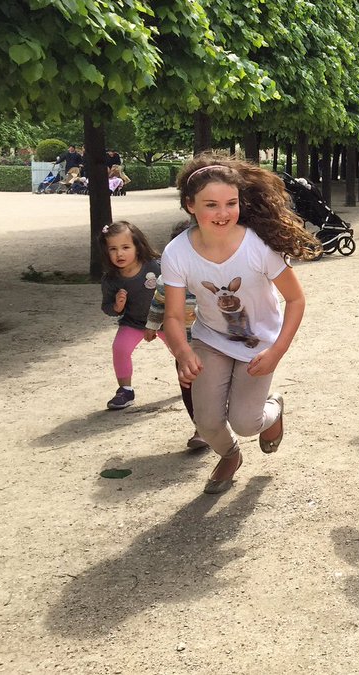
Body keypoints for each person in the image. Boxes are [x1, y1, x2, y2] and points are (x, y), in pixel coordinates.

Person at [161, 155, 319, 494]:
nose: (223, 213)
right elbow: (172, 316)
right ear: (190, 205)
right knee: (207, 422)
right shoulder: (176, 253)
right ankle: (230, 456)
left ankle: (274, 408)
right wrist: (183, 351)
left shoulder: (258, 246)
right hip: (210, 340)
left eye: (231, 203)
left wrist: (277, 351)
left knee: (246, 423)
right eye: (211, 205)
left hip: (258, 345)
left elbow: (296, 299)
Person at [144, 221, 208, 450]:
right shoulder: (166, 282)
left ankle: (218, 422)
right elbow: (158, 304)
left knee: (217, 387)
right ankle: (201, 428)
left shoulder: (212, 277)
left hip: (214, 345)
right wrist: (152, 325)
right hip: (184, 348)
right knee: (188, 388)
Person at [99, 221, 166, 411]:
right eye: (113, 249)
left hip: (165, 320)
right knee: (119, 348)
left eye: (125, 247)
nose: (119, 254)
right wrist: (117, 306)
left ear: (138, 246)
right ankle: (125, 390)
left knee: (181, 350)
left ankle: (193, 383)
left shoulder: (156, 266)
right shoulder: (111, 279)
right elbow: (107, 308)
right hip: (133, 322)